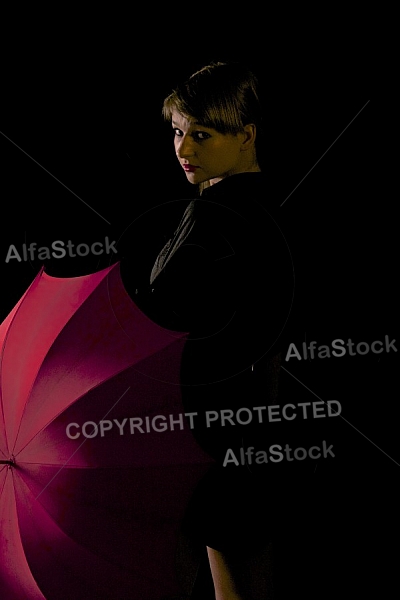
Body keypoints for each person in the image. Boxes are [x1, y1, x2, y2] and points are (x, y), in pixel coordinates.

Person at [132, 61, 297, 600]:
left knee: (228, 575)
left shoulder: (229, 213)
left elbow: (249, 330)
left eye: (202, 134)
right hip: (227, 426)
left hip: (214, 427)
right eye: (178, 132)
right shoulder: (218, 204)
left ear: (245, 135)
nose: (184, 148)